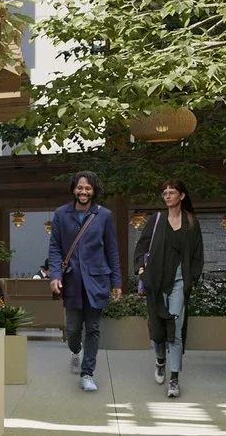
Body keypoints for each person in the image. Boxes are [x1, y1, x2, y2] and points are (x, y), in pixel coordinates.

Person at [44, 170, 121, 393]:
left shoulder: (104, 215)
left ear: (94, 190)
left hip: (97, 281)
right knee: (74, 329)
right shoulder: (61, 214)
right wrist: (55, 276)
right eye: (80, 187)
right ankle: (75, 350)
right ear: (73, 189)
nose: (84, 191)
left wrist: (116, 282)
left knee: (94, 328)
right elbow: (55, 247)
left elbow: (112, 250)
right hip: (72, 281)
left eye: (88, 188)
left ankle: (87, 373)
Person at [133, 177, 204, 401]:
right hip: (155, 283)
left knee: (175, 327)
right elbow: (141, 247)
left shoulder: (191, 222)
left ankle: (174, 378)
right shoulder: (156, 220)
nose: (168, 196)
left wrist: (191, 278)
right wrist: (142, 271)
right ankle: (160, 361)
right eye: (165, 193)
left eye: (172, 192)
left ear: (181, 196)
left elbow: (197, 255)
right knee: (157, 330)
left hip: (180, 282)